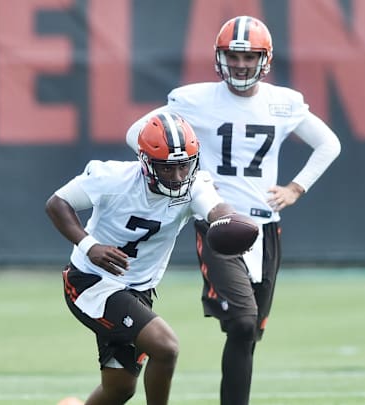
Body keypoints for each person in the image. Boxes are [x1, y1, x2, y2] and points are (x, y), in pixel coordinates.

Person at [125, 15, 341, 405]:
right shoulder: (192, 99)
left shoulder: (282, 102)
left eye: (249, 56)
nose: (240, 64)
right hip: (220, 225)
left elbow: (328, 144)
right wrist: (184, 183)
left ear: (265, 59)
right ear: (219, 57)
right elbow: (137, 133)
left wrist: (296, 187)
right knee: (241, 322)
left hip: (266, 227)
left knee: (249, 332)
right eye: (232, 56)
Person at [46, 112, 238, 405]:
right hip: (90, 283)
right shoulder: (113, 177)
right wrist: (89, 245)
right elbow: (57, 203)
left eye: (183, 166)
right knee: (166, 346)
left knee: (120, 389)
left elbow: (217, 210)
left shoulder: (195, 185)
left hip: (137, 291)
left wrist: (233, 224)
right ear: (146, 163)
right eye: (167, 168)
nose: (177, 177)